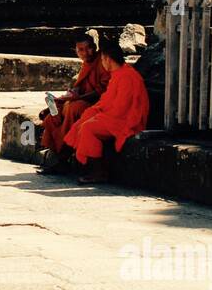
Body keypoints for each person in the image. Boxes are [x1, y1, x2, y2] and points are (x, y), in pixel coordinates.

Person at [63, 42, 149, 185]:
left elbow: (121, 108)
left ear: (107, 59)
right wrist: (95, 110)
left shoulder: (127, 76)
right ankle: (79, 164)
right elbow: (106, 99)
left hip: (127, 119)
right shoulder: (118, 74)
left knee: (88, 127)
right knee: (84, 119)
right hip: (115, 115)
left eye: (102, 60)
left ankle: (98, 172)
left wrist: (99, 114)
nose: (102, 63)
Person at [36, 32, 109, 175]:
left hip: (94, 104)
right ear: (76, 51)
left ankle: (61, 157)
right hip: (79, 100)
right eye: (80, 50)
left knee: (72, 108)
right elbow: (80, 85)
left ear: (94, 47)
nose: (85, 53)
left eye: (88, 48)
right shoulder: (86, 65)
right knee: (52, 111)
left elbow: (102, 90)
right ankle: (57, 157)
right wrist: (71, 94)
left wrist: (77, 97)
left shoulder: (101, 61)